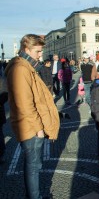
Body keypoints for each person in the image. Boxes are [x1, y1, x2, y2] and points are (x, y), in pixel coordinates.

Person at [5, 34, 60, 199]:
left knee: (34, 165)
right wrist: (38, 129)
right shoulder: (21, 69)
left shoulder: (25, 66)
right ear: (26, 49)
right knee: (33, 167)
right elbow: (25, 104)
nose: (40, 55)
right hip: (30, 127)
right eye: (37, 51)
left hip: (30, 126)